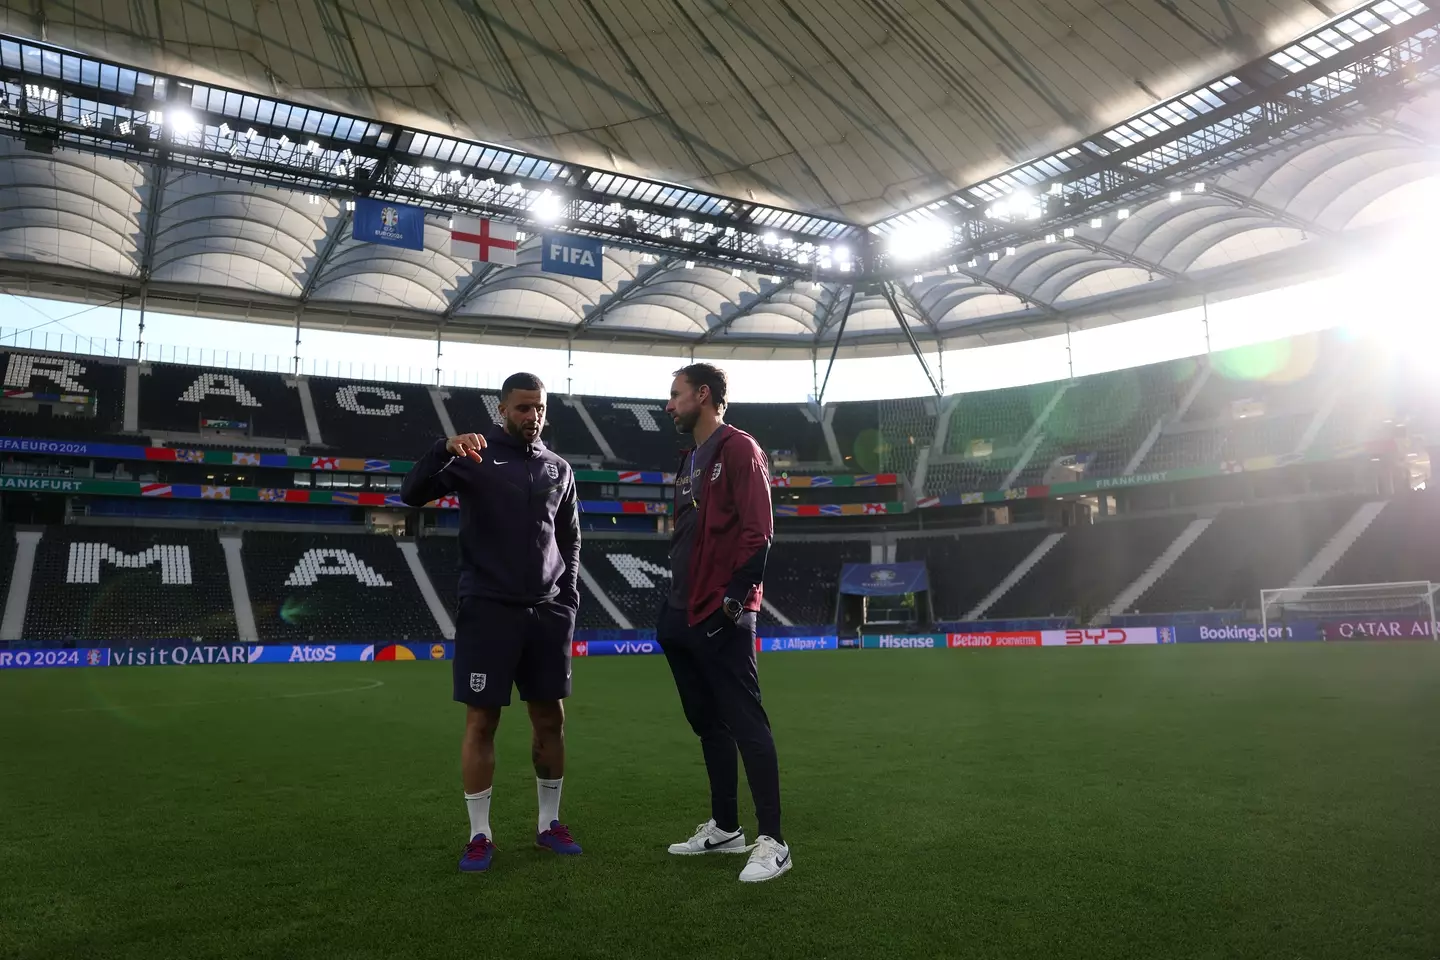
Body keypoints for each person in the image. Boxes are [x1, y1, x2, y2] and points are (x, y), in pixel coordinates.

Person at [400, 372, 582, 873]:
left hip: (547, 613)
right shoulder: (473, 459)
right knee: (483, 721)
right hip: (488, 609)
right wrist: (442, 448)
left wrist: (566, 602)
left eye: (540, 408)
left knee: (551, 720)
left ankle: (549, 824)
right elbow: (412, 494)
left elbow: (569, 541)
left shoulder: (558, 469)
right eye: (523, 408)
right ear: (502, 409)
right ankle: (479, 834)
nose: (533, 416)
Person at [658, 362, 791, 883]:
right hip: (679, 611)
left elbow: (759, 530)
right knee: (707, 723)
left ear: (704, 395)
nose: (669, 404)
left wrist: (735, 600)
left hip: (722, 609)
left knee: (746, 722)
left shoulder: (739, 448)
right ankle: (726, 828)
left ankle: (774, 840)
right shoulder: (690, 459)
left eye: (676, 394)